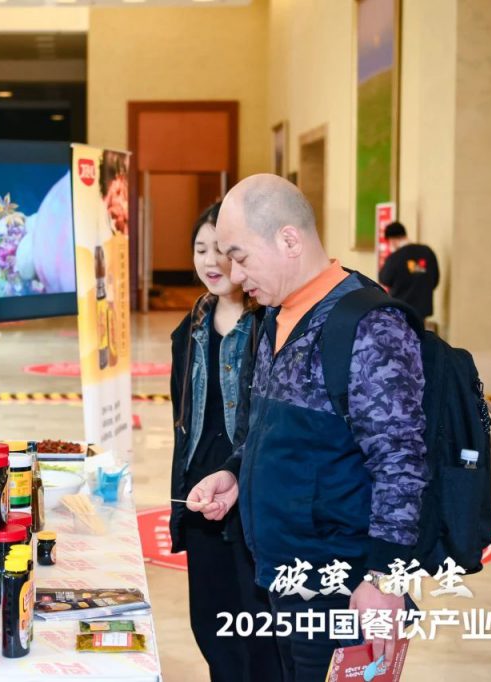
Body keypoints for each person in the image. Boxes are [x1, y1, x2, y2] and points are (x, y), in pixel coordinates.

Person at [187, 174, 428, 682]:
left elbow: (402, 460)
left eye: (240, 257)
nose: (234, 275)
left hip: (345, 591)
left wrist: (385, 578)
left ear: (289, 240)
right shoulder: (277, 316)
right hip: (286, 579)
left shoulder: (369, 325)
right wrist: (236, 473)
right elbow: (275, 430)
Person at [169, 202, 282, 682]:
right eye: (201, 249)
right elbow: (183, 423)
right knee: (212, 622)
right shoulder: (189, 329)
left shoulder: (272, 326)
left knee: (259, 625)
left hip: (250, 490)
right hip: (201, 493)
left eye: (222, 250)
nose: (211, 261)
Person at [378, 221, 439, 321]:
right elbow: (435, 280)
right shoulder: (427, 252)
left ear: (392, 240)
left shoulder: (395, 257)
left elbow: (385, 279)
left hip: (401, 309)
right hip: (422, 309)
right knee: (419, 330)